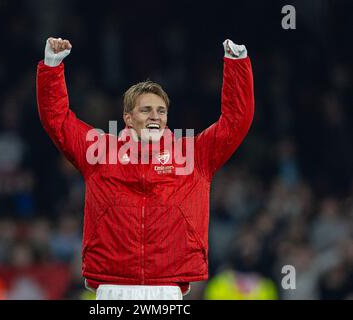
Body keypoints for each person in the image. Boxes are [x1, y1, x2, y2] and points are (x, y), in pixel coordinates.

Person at [36, 36, 254, 300]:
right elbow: (57, 120)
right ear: (128, 118)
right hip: (112, 289)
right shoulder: (99, 153)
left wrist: (236, 64)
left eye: (161, 111)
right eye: (146, 110)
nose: (155, 116)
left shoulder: (194, 156)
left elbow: (235, 122)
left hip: (166, 289)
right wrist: (52, 65)